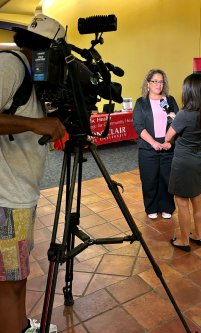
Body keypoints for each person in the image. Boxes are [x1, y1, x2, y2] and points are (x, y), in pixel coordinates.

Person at [0, 14, 67, 333]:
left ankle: (21, 324)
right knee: (10, 282)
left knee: (16, 276)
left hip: (19, 194)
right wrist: (33, 123)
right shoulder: (11, 66)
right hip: (6, 199)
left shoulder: (35, 75)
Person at [163, 73, 201, 251]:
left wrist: (173, 120)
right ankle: (197, 235)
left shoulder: (184, 114)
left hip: (183, 160)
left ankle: (183, 241)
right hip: (199, 158)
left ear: (189, 92)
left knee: (182, 200)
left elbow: (168, 137)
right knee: (196, 198)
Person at [133, 69, 179, 220]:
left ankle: (167, 207)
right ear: (148, 83)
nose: (158, 84)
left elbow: (177, 123)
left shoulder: (170, 101)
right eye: (155, 81)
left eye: (161, 81)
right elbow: (139, 126)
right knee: (149, 179)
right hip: (148, 147)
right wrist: (153, 143)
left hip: (168, 147)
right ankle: (151, 207)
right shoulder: (141, 102)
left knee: (167, 179)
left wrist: (169, 142)